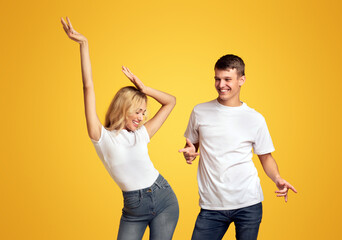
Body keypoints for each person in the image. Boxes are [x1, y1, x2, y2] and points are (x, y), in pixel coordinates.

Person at [61, 17, 179, 240]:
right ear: (123, 109)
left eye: (144, 113)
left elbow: (170, 101)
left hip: (164, 199)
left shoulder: (141, 136)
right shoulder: (101, 137)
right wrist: (84, 44)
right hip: (133, 210)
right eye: (137, 111)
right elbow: (88, 87)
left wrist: (144, 88)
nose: (142, 117)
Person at [179, 54, 297, 240]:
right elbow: (192, 145)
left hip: (248, 203)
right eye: (217, 79)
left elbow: (266, 157)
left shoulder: (255, 118)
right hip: (212, 206)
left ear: (241, 80)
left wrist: (277, 178)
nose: (221, 84)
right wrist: (190, 153)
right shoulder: (199, 111)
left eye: (227, 79)